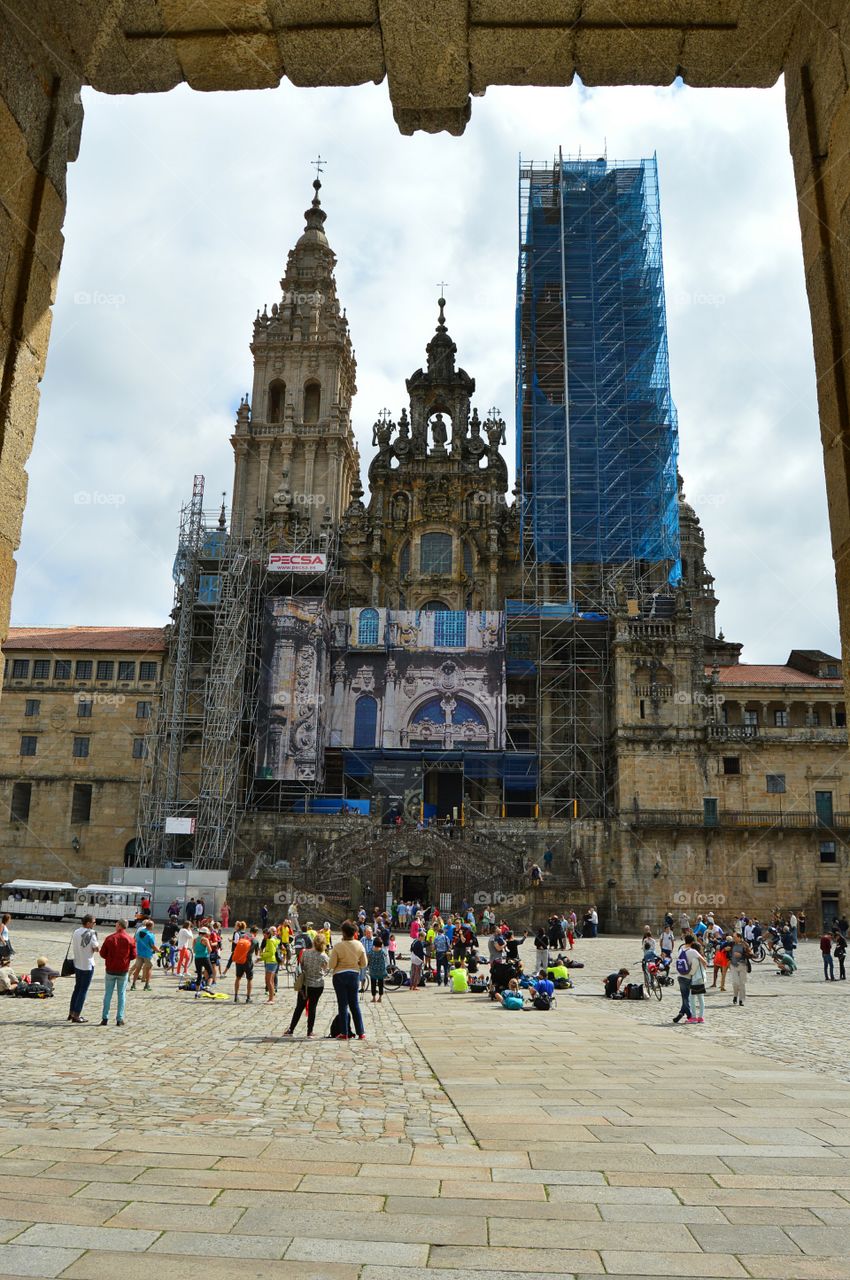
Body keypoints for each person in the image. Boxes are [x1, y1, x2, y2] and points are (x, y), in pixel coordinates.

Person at [328, 920, 368, 1039]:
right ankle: (361, 1032)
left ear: (343, 933)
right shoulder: (359, 945)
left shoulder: (338, 946)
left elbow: (331, 965)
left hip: (340, 975)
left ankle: (344, 1032)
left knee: (343, 1005)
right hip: (354, 975)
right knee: (354, 1004)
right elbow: (364, 963)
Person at [285, 934, 329, 1038]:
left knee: (299, 1007)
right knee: (312, 1007)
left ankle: (291, 1029)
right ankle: (310, 1031)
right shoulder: (324, 956)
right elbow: (326, 969)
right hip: (317, 984)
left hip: (305, 984)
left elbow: (301, 965)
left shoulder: (306, 953)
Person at [98, 919, 136, 1025]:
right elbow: (133, 955)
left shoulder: (110, 938)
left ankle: (105, 1018)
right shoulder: (130, 939)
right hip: (123, 970)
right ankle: (119, 1018)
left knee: (108, 994)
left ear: (118, 925)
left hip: (110, 969)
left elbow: (102, 954)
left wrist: (110, 958)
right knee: (121, 994)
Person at [68, 914, 99, 1023]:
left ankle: (71, 1012)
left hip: (78, 963)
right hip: (87, 964)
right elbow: (96, 948)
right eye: (94, 922)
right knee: (83, 991)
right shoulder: (91, 933)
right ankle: (77, 1015)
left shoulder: (76, 931)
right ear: (88, 923)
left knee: (77, 988)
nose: (95, 924)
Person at [672, 935, 699, 1025]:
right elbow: (703, 960)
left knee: (685, 996)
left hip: (680, 975)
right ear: (692, 942)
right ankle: (689, 1015)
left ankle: (681, 1013)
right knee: (686, 997)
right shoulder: (693, 951)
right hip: (688, 976)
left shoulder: (681, 950)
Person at [230, 927, 258, 1002]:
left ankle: (236, 996)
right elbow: (256, 953)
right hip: (248, 962)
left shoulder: (242, 937)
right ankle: (248, 998)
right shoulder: (255, 940)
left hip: (239, 960)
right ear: (256, 933)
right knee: (249, 979)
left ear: (250, 931)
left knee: (238, 978)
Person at [130, 919, 157, 991]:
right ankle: (146, 985)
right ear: (151, 926)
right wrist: (158, 950)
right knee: (149, 969)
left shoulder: (139, 933)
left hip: (139, 953)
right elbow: (153, 946)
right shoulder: (150, 935)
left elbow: (135, 940)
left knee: (137, 969)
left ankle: (133, 985)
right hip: (148, 954)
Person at [260, 928, 279, 1002]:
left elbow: (271, 953)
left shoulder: (270, 941)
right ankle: (271, 998)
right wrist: (261, 958)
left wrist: (262, 954)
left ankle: (271, 999)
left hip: (271, 962)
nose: (263, 936)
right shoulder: (269, 940)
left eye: (264, 934)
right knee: (270, 981)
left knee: (269, 981)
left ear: (268, 934)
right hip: (270, 961)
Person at [368, 935, 388, 1002]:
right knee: (381, 984)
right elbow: (386, 957)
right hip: (381, 970)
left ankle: (373, 998)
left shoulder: (371, 951)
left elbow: (367, 957)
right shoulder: (382, 952)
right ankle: (380, 998)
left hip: (373, 970)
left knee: (373, 984)